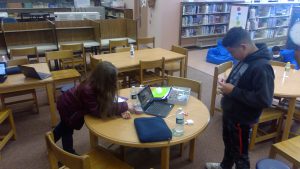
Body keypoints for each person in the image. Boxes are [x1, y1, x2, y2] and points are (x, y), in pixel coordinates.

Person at [206, 27, 275, 169]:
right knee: (229, 145)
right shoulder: (246, 57)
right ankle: (225, 166)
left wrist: (233, 91)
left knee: (240, 154)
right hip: (231, 112)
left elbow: (264, 99)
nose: (231, 55)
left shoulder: (262, 67)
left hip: (242, 119)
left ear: (243, 47)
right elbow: (240, 80)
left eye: (232, 52)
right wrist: (228, 85)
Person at [53, 61, 131, 154]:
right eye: (113, 79)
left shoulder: (96, 82)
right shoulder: (87, 90)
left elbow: (101, 100)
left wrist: (118, 109)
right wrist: (124, 106)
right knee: (67, 129)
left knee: (62, 126)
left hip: (70, 103)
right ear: (105, 80)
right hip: (67, 106)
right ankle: (68, 154)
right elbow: (97, 111)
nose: (115, 81)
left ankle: (51, 140)